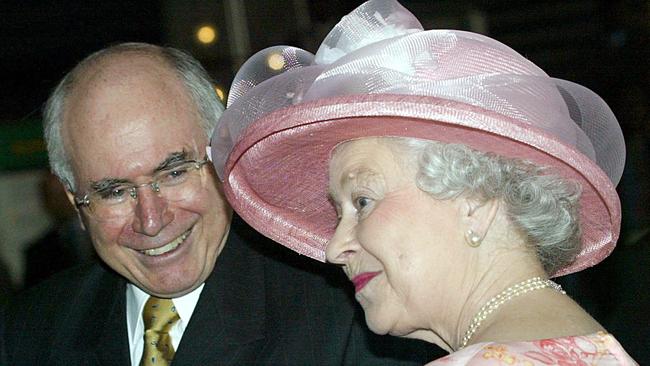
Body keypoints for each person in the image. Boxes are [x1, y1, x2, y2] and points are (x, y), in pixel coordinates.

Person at [210, 0, 638, 364]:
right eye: (338, 212)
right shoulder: (596, 348)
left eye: (362, 201)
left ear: (476, 198)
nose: (334, 248)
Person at [0, 42, 438, 365]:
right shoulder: (28, 334)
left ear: (222, 154)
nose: (151, 220)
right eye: (114, 191)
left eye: (173, 173)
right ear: (74, 200)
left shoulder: (350, 317)